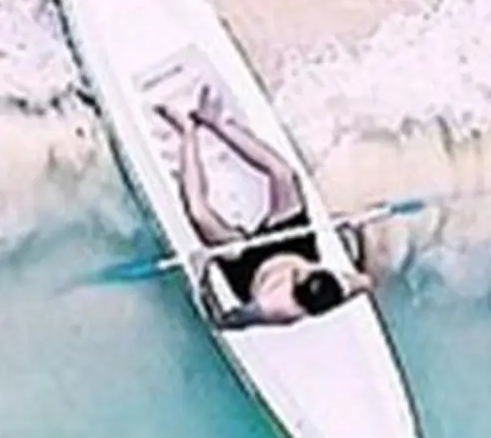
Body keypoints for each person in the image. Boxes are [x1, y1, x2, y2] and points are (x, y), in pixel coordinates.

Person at [153, 84, 364, 327]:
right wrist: (354, 230)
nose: (298, 270)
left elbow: (223, 321)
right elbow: (366, 282)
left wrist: (203, 276)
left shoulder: (274, 307)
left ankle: (186, 132)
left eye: (297, 275)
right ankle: (216, 122)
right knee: (283, 175)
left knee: (198, 214)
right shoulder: (340, 283)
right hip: (293, 244)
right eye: (308, 270)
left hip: (247, 266)